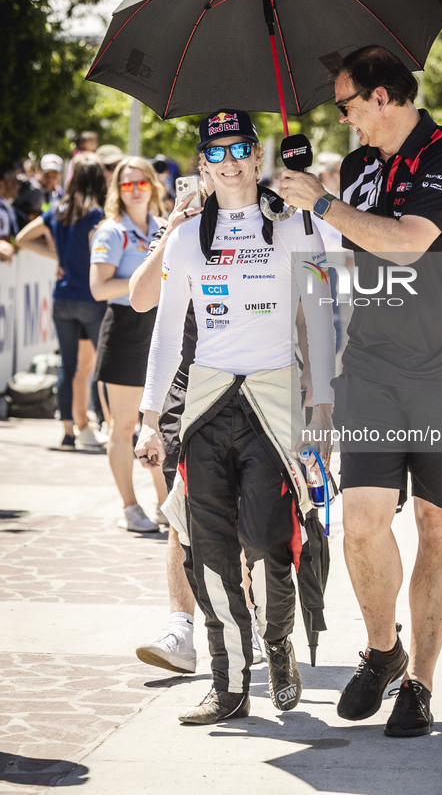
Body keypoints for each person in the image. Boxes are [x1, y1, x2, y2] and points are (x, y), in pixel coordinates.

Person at [280, 46, 442, 738]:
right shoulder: (355, 169)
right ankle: (381, 646)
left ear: (382, 96)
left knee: (439, 526)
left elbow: (406, 243)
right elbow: (339, 254)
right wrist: (297, 204)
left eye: (345, 104)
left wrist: (324, 201)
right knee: (361, 522)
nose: (341, 118)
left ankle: (420, 681)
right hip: (372, 369)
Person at [135, 110, 334, 725]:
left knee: (271, 541)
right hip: (206, 406)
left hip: (275, 406)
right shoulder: (189, 236)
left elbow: (322, 317)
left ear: (256, 156)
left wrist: (323, 405)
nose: (228, 162)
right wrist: (148, 418)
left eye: (239, 149)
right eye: (214, 152)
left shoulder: (296, 222)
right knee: (211, 549)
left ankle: (279, 649)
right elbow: (168, 335)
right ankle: (227, 683)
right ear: (203, 165)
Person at [89, 156, 168, 532]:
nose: (135, 190)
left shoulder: (163, 226)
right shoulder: (111, 231)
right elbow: (99, 288)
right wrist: (143, 279)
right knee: (122, 427)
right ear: (116, 191)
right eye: (126, 184)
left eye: (141, 183)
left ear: (152, 185)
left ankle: (165, 503)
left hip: (158, 327)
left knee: (160, 424)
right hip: (124, 328)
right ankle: (129, 507)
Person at [15, 156, 108, 449]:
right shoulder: (97, 215)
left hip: (63, 298)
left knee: (69, 367)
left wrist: (57, 256)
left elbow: (22, 238)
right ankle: (115, 426)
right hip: (92, 298)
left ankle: (69, 431)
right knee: (105, 365)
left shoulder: (57, 210)